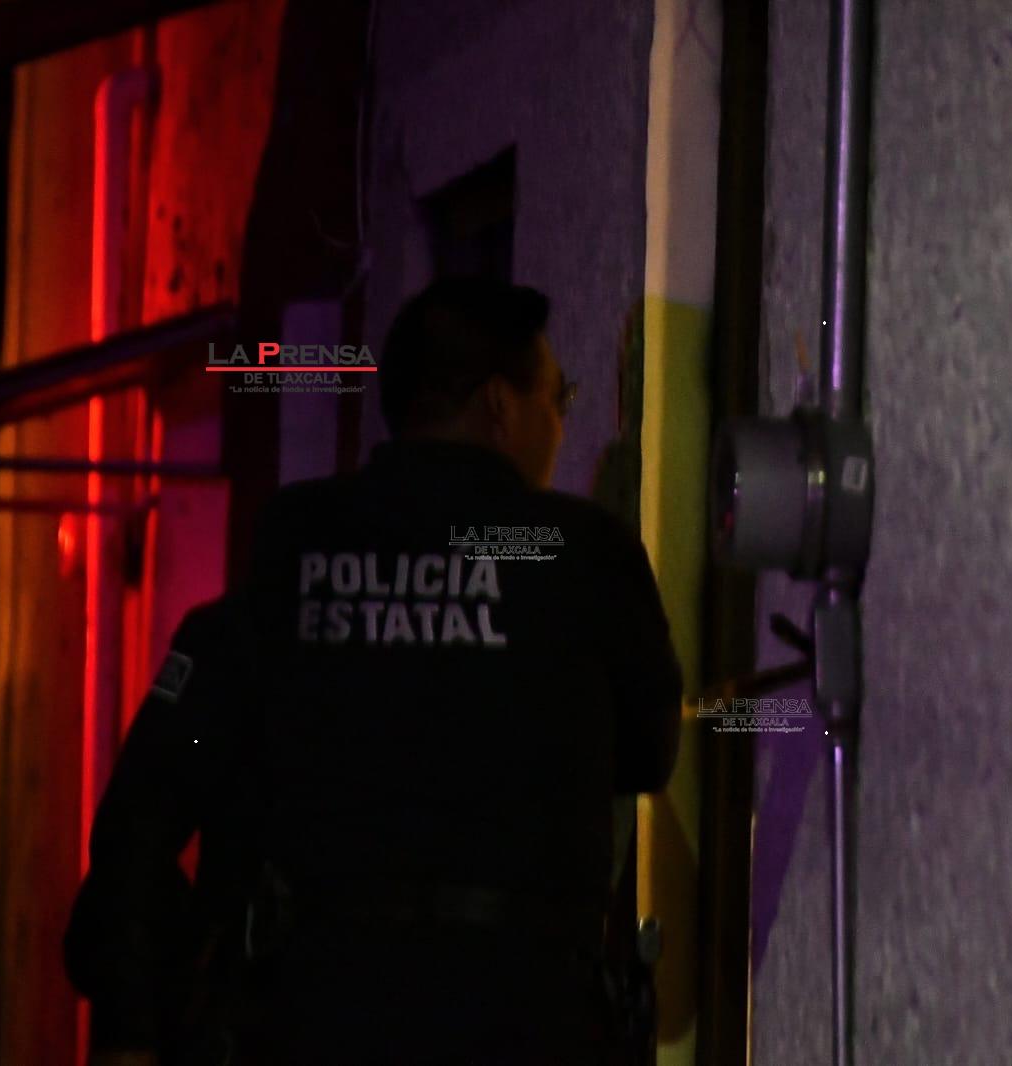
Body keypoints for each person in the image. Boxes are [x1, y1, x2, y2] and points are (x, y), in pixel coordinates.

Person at [68, 277, 682, 1065]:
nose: (560, 424)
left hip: (301, 1022)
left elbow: (144, 815)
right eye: (557, 397)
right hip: (521, 1026)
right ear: (500, 406)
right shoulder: (570, 553)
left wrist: (132, 1028)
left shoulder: (293, 558)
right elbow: (646, 753)